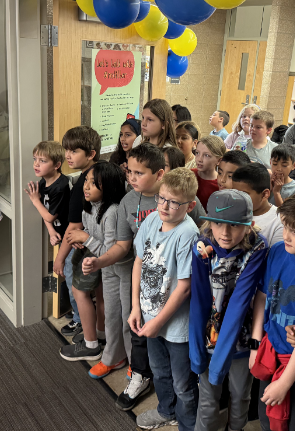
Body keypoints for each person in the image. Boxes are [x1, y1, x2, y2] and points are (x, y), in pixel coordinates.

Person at [81, 143, 206, 410]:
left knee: (180, 374)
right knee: (139, 335)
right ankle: (146, 383)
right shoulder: (132, 205)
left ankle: (182, 414)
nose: (132, 177)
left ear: (159, 173)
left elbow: (188, 273)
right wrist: (100, 262)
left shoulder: (186, 222)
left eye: (139, 172)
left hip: (173, 307)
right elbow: (131, 251)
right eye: (130, 171)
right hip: (143, 289)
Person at [128, 168, 200, 430]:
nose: (165, 206)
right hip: (149, 317)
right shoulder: (151, 220)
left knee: (183, 383)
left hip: (176, 327)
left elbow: (184, 287)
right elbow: (138, 261)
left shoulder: (187, 233)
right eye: (161, 198)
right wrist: (136, 307)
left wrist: (158, 322)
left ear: (190, 205)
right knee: (159, 372)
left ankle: (188, 424)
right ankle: (165, 411)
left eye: (174, 202)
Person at [190, 189, 267, 431]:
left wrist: (221, 360)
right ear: (209, 222)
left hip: (241, 340)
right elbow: (199, 298)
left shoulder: (258, 248)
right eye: (218, 223)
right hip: (208, 338)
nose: (225, 233)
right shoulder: (202, 246)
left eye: (234, 225)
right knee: (208, 399)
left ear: (249, 225)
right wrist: (196, 348)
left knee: (240, 395)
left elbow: (240, 302)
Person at [250, 187, 295, 431]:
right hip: (270, 350)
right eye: (285, 227)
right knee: (265, 414)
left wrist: (284, 383)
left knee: (293, 422)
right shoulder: (278, 251)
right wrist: (255, 343)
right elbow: (262, 297)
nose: (287, 236)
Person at [73, 163, 131, 380]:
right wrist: (83, 239)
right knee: (111, 314)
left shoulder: (113, 211)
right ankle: (113, 357)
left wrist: (85, 239)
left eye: (93, 184)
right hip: (106, 269)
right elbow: (90, 233)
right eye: (86, 181)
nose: (86, 187)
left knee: (128, 317)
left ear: (108, 187)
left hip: (123, 268)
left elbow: (111, 250)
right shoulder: (88, 205)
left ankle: (136, 365)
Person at [53, 126, 102, 337]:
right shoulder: (98, 172)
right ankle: (94, 328)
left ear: (91, 154)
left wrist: (60, 258)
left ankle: (82, 324)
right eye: (67, 150)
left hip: (88, 244)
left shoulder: (86, 182)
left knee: (78, 288)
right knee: (96, 293)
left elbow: (74, 227)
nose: (67, 156)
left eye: (74, 151)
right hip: (95, 243)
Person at [26, 141, 70, 247]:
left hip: (71, 237)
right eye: (35, 159)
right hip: (60, 234)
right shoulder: (43, 182)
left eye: (43, 161)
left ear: (57, 165)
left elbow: (49, 217)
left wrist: (35, 201)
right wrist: (51, 232)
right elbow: (44, 211)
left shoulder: (60, 187)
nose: (36, 164)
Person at [232, 163, 285, 250]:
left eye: (244, 194)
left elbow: (275, 258)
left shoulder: (279, 221)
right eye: (234, 193)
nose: (237, 199)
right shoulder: (229, 212)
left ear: (264, 194)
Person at [193, 135, 224, 209]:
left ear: (219, 160)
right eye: (197, 153)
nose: (199, 159)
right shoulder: (189, 175)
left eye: (206, 155)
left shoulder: (221, 185)